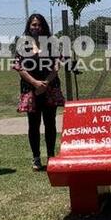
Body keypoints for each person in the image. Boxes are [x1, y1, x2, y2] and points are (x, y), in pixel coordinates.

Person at [13, 14, 65, 171]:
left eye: (39, 25)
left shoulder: (52, 43)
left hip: (50, 87)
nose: (36, 28)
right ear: (29, 26)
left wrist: (46, 83)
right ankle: (36, 158)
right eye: (33, 25)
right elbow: (19, 67)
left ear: (44, 27)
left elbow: (57, 65)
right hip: (30, 88)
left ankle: (51, 156)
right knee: (33, 124)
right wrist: (35, 83)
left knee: (50, 123)